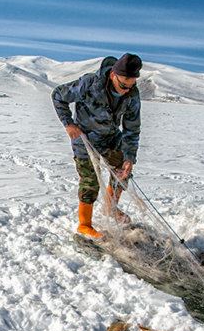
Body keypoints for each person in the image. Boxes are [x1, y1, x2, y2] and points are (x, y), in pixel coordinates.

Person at [52, 52, 142, 239]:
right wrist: (68, 123)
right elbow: (58, 95)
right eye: (123, 85)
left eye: (131, 85)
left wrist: (129, 157)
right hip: (84, 139)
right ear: (113, 75)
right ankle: (85, 225)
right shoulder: (89, 84)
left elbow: (131, 130)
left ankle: (110, 208)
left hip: (110, 138)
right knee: (90, 181)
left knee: (123, 172)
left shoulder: (132, 95)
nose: (126, 90)